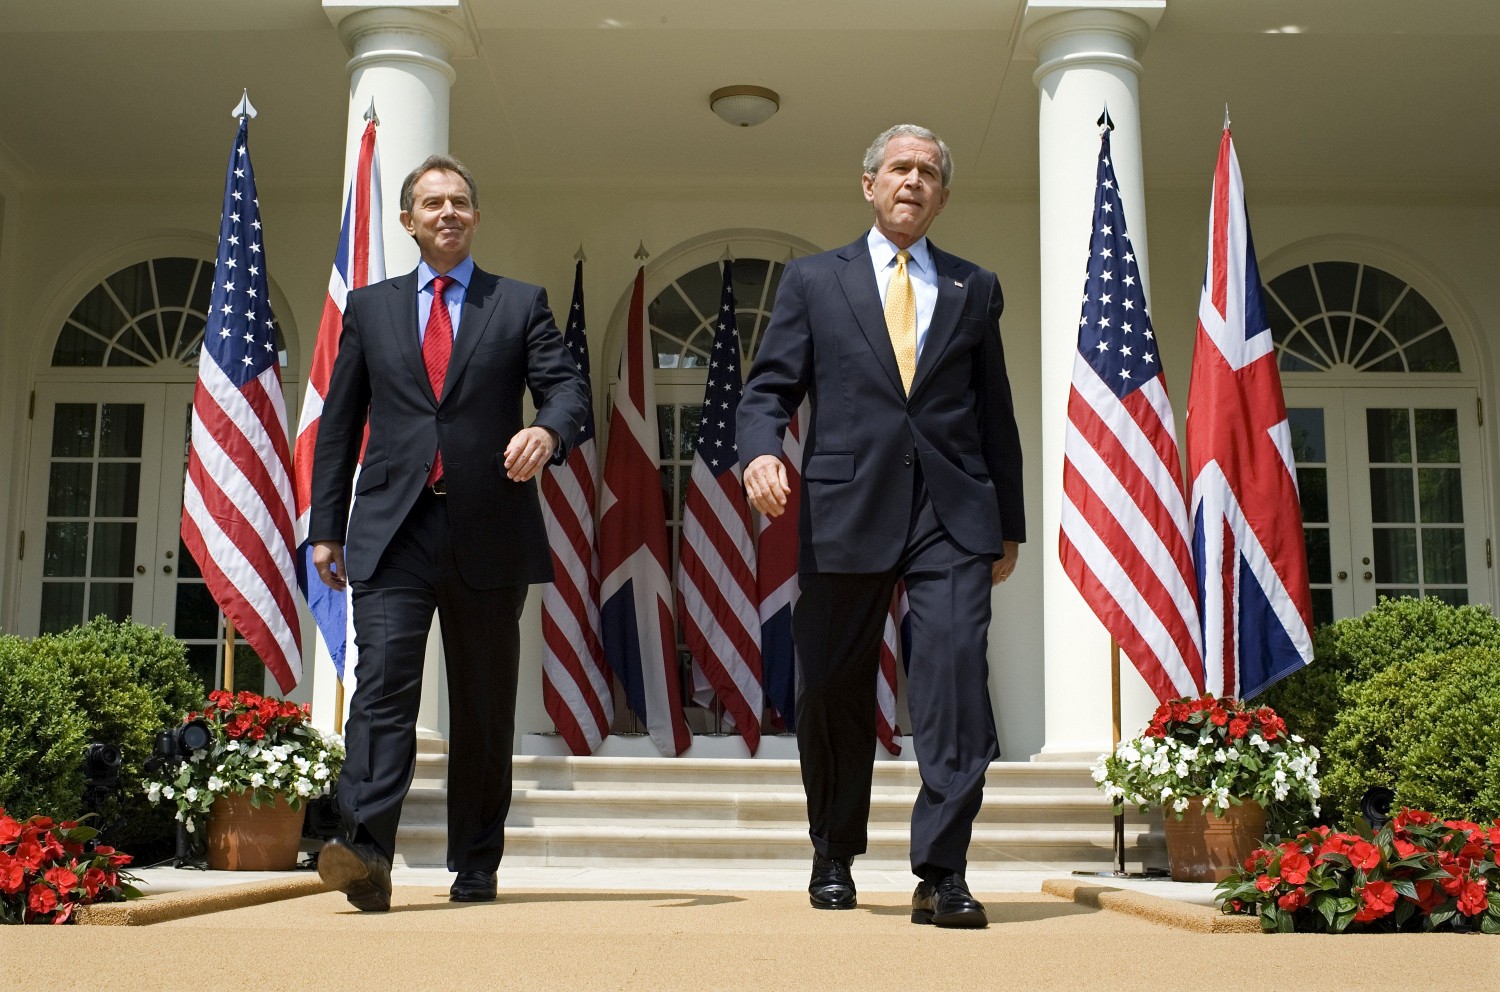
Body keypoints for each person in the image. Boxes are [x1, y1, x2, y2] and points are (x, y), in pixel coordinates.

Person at [738, 124, 1025, 929]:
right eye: (899, 168)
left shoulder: (976, 287)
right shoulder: (813, 282)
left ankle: (943, 869)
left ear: (942, 193)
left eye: (929, 172)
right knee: (830, 686)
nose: (913, 181)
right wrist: (762, 454)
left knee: (956, 679)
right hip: (843, 510)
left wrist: (1008, 522)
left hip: (952, 511)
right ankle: (833, 850)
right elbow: (766, 391)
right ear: (868, 185)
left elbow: (994, 412)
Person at [309, 154, 590, 912]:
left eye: (460, 201)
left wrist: (549, 434)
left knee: (483, 700)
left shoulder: (518, 303)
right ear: (408, 221)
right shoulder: (369, 309)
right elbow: (339, 426)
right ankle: (365, 852)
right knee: (383, 690)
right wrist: (324, 528)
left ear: (474, 216)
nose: (447, 212)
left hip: (489, 532)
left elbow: (567, 390)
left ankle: (476, 861)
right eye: (432, 202)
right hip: (393, 533)